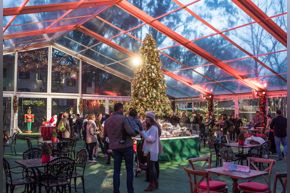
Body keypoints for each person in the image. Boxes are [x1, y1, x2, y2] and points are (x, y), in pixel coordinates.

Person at [104, 103, 138, 193]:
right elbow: (130, 132)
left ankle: (116, 191)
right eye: (123, 109)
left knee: (116, 171)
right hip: (127, 146)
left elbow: (105, 135)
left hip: (115, 148)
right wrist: (135, 132)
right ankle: (130, 191)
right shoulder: (123, 119)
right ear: (121, 109)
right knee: (129, 170)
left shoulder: (107, 121)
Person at [140, 111, 160, 191]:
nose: (146, 119)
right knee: (152, 168)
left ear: (150, 119)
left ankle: (152, 184)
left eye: (147, 118)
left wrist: (142, 132)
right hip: (151, 151)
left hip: (152, 151)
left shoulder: (154, 128)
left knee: (152, 169)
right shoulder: (152, 127)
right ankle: (155, 183)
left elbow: (150, 139)